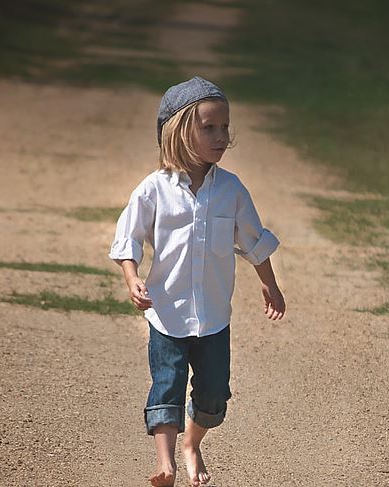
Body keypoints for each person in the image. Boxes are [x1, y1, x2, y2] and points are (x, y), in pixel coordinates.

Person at [108, 76, 286, 487]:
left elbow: (254, 240)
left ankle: (192, 442)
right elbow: (128, 237)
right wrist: (132, 277)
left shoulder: (231, 190)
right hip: (166, 315)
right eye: (209, 127)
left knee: (213, 397)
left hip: (213, 319)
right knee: (166, 387)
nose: (221, 135)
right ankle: (166, 463)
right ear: (179, 132)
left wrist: (269, 284)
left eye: (225, 127)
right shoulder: (155, 190)